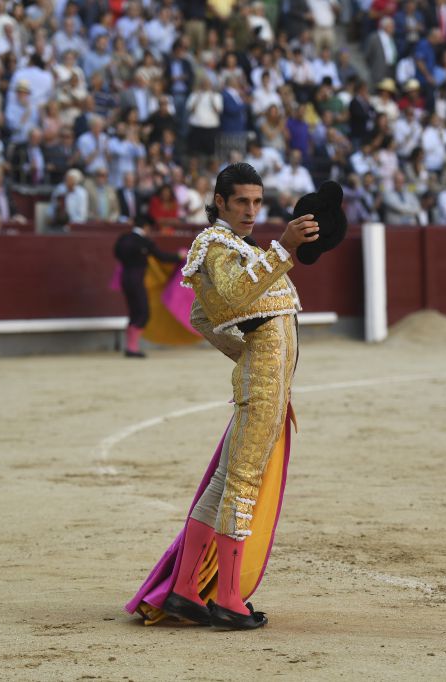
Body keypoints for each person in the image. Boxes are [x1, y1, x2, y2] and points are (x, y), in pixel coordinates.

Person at [127, 162, 320, 630]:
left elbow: (200, 315)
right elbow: (231, 298)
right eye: (241, 202)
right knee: (242, 485)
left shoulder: (238, 247)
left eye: (257, 201)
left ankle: (187, 591)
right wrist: (285, 249)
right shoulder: (216, 245)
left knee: (222, 484)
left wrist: (249, 355)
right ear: (220, 202)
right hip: (262, 385)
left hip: (266, 383)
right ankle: (228, 599)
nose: (252, 210)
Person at [112, 214, 183, 358]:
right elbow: (162, 257)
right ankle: (132, 348)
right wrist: (179, 256)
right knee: (143, 312)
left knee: (134, 311)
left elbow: (116, 253)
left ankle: (130, 346)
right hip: (137, 279)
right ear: (146, 227)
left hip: (125, 277)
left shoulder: (123, 238)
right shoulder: (144, 241)